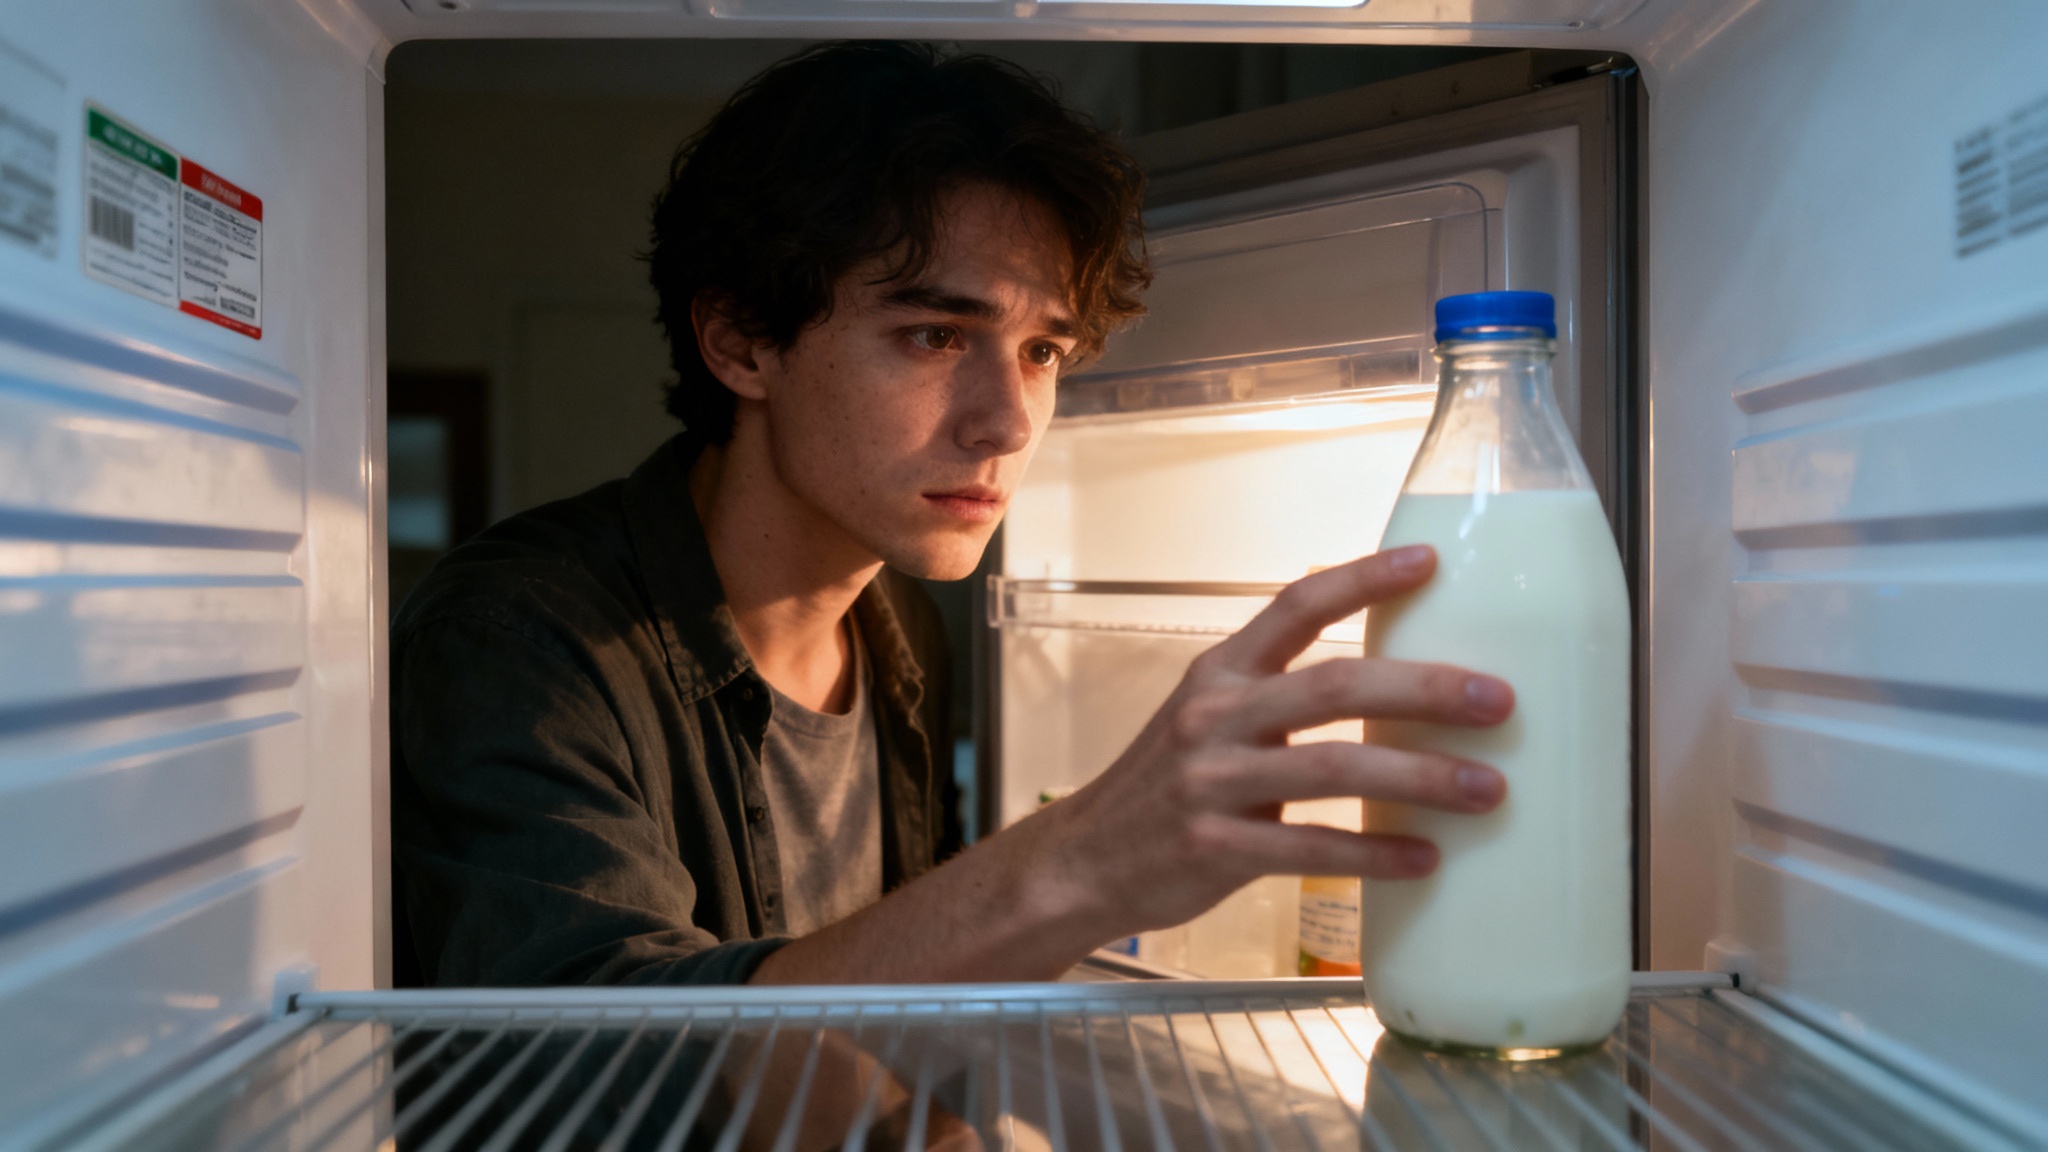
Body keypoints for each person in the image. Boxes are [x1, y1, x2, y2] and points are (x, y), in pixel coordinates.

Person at [390, 41, 1511, 990]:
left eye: (1041, 351)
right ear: (739, 341)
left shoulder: (897, 633)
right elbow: (600, 1080)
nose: (1008, 422)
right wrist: (1080, 860)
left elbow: (880, 1029)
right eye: (934, 336)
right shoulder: (517, 642)